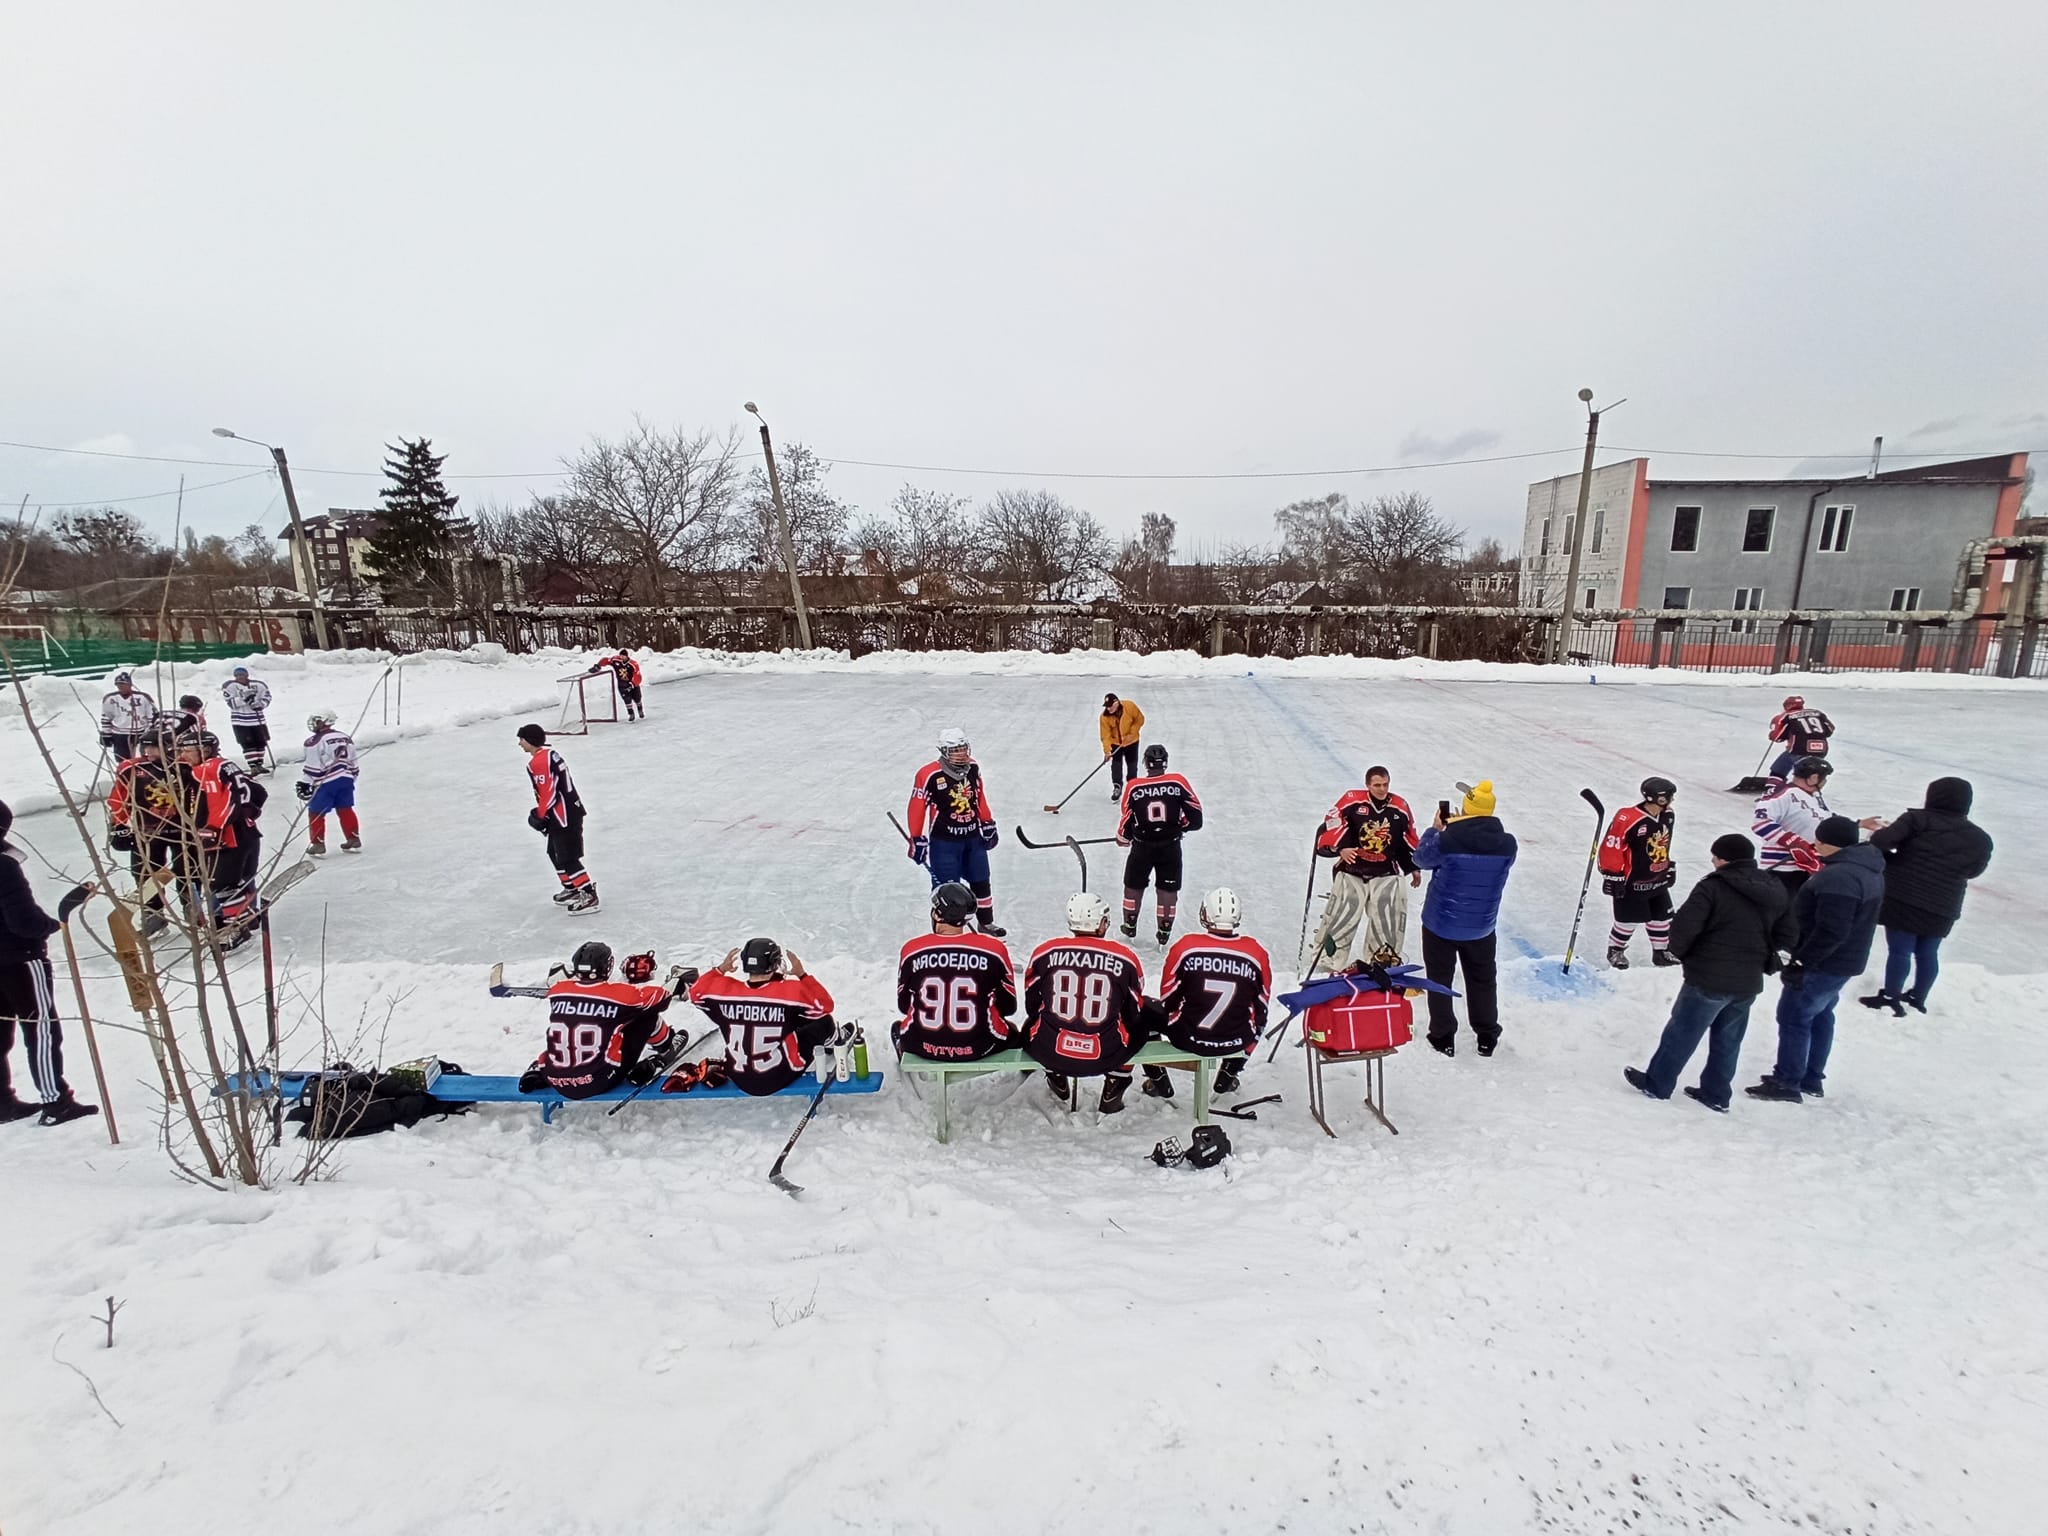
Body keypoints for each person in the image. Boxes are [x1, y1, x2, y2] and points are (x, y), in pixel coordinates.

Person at [1624, 833, 1796, 1113]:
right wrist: (1764, 956)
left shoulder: (1713, 887)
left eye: (1715, 856)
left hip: (1708, 976)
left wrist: (1684, 955)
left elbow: (1683, 928)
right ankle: (1716, 1093)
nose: (1713, 861)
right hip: (1748, 980)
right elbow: (1788, 932)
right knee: (1728, 1040)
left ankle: (1657, 1083)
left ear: (1725, 859)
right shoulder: (1775, 886)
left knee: (1682, 1032)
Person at [1746, 816, 1884, 1104]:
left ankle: (1787, 1081)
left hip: (1824, 964)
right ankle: (1811, 1077)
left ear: (1831, 844)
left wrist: (1802, 962)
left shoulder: (1839, 877)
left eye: (1819, 840)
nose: (1815, 845)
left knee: (1795, 1017)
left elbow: (1832, 929)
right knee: (1821, 1016)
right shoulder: (1867, 868)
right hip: (1846, 961)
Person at [0, 799, 99, 1125]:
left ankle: (2, 1102)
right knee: (40, 1029)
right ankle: (55, 1101)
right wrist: (52, 926)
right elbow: (23, 920)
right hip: (20, 960)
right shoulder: (4, 865)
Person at [1861, 777, 1993, 1016]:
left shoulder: (1917, 820)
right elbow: (1974, 871)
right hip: (1944, 904)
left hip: (1904, 896)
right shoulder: (1980, 838)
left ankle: (1891, 997)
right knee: (1928, 952)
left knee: (1900, 950)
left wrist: (1894, 859)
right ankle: (1918, 998)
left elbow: (1881, 841)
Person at [1023, 892, 1156, 1113]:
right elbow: (1133, 1011)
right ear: (1101, 923)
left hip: (1051, 1050)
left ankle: (1055, 1073)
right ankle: (1117, 1081)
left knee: (1033, 1026)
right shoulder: (1125, 958)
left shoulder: (1045, 952)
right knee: (1141, 1025)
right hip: (1105, 1053)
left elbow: (1031, 1003)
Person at [1412, 779, 1517, 1058]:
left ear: (1466, 807)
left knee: (1439, 979)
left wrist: (1435, 830)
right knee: (1482, 980)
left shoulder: (1447, 839)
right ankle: (1487, 1035)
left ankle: (1443, 1036)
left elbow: (1420, 859)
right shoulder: (1507, 845)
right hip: (1482, 926)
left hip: (1441, 924)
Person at [518, 942, 680, 1097]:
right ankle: (666, 1046)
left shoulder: (557, 991)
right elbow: (662, 998)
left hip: (555, 1079)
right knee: (646, 1016)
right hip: (597, 1081)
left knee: (573, 1023)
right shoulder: (620, 995)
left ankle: (539, 1068)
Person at [683, 938, 836, 1096]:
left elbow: (695, 993)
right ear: (774, 963)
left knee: (789, 1018)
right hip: (778, 1076)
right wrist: (802, 975)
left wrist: (720, 969)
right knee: (823, 1021)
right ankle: (834, 1042)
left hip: (739, 1077)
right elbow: (825, 1005)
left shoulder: (724, 993)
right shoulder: (789, 992)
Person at [1159, 886, 1271, 1098]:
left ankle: (1157, 1080)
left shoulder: (1186, 947)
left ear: (1205, 914)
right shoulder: (1256, 953)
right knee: (1260, 1020)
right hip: (1237, 1038)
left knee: (1144, 1010)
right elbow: (1262, 1006)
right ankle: (1230, 1072)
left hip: (1187, 1036)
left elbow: (1168, 1000)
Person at [1310, 765, 1421, 969]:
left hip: (1385, 873)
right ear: (1368, 785)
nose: (1382, 789)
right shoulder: (1352, 800)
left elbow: (1405, 840)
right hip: (1352, 871)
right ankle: (1328, 961)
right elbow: (1332, 824)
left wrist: (1413, 867)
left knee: (1387, 921)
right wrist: (1341, 848)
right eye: (1377, 785)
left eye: (1385, 784)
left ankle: (1382, 963)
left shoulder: (1400, 807)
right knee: (1341, 918)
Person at [894, 881, 1018, 1061]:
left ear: (937, 914)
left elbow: (904, 1006)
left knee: (900, 1028)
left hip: (922, 1045)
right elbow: (1008, 1006)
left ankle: (903, 1046)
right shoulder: (994, 949)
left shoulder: (911, 950)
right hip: (981, 1046)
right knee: (1014, 1031)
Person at [905, 727, 1003, 937]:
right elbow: (917, 806)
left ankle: (986, 923)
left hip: (972, 838)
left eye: (963, 748)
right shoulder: (929, 774)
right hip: (944, 843)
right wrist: (916, 838)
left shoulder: (973, 767)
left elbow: (979, 796)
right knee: (947, 890)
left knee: (981, 880)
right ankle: (944, 932)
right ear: (943, 751)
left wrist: (987, 822)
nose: (961, 753)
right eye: (955, 749)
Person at [1115, 744, 1203, 946]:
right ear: (1165, 762)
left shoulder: (1134, 786)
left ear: (1145, 763)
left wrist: (1123, 838)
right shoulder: (1178, 782)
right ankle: (1164, 929)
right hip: (1170, 846)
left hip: (1141, 846)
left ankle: (1130, 924)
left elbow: (1127, 817)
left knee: (1133, 884)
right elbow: (1196, 818)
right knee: (1167, 889)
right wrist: (1180, 826)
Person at [183, 730, 268, 936]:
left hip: (228, 837)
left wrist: (213, 828)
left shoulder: (207, 769)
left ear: (204, 750)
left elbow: (225, 800)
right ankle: (248, 918)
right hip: (247, 832)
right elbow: (258, 792)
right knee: (241, 881)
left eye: (187, 750)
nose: (182, 755)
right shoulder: (227, 765)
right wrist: (249, 812)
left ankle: (236, 929)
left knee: (222, 884)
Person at [517, 723, 596, 913]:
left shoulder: (539, 762)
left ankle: (588, 894)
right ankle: (571, 888)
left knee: (567, 856)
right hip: (564, 813)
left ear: (530, 740)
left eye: (521, 739)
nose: (520, 744)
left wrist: (540, 815)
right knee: (554, 852)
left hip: (564, 816)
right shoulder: (548, 755)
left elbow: (548, 792)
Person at [1601, 776, 1679, 968]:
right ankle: (1615, 950)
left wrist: (1668, 865)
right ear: (1660, 798)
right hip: (1631, 880)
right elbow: (1612, 846)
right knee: (1628, 920)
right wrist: (1613, 874)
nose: (1672, 800)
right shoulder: (1627, 817)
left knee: (1662, 916)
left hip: (1657, 876)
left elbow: (1663, 844)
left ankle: (1661, 952)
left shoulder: (1668, 815)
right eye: (1670, 796)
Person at [298, 709, 361, 857]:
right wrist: (351, 778)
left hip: (326, 782)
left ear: (325, 721)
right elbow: (354, 764)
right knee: (345, 808)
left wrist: (305, 783)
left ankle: (318, 843)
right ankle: (353, 838)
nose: (314, 723)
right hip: (346, 779)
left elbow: (313, 767)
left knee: (316, 812)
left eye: (317, 720)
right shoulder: (346, 738)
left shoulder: (314, 741)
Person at [1766, 695, 1835, 782]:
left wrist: (1774, 735)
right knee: (1809, 768)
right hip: (1821, 750)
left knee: (1778, 769)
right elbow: (1830, 730)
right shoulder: (1818, 713)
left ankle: (1774, 786)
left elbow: (1777, 737)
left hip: (1799, 749)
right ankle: (1812, 785)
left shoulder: (1787, 716)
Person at [220, 666, 274, 774]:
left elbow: (267, 696)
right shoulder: (229, 686)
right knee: (247, 743)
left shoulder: (259, 684)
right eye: (237, 675)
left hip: (258, 719)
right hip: (240, 721)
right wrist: (244, 699)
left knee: (261, 742)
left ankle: (259, 764)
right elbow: (231, 704)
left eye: (242, 675)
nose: (240, 677)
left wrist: (261, 704)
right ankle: (253, 765)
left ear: (247, 675)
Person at [98, 671, 157, 763]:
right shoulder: (110, 699)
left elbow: (152, 716)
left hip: (141, 733)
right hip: (119, 734)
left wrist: (151, 731)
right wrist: (107, 734)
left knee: (146, 758)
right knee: (123, 761)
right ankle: (127, 776)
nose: (120, 686)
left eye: (123, 684)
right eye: (118, 684)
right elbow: (106, 717)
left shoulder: (144, 697)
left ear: (130, 684)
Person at [1099, 694, 1145, 800]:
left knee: (1132, 766)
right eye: (1107, 706)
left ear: (1117, 703)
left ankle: (1133, 787)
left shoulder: (1129, 706)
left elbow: (1140, 719)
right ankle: (1117, 786)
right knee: (1116, 766)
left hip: (1132, 742)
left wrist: (1131, 734)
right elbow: (1105, 736)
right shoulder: (1104, 717)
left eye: (1110, 705)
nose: (1108, 708)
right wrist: (1107, 751)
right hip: (1115, 743)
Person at [586, 651, 645, 721]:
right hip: (622, 684)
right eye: (621, 656)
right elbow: (606, 660)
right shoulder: (615, 660)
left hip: (633, 685)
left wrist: (632, 684)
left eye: (623, 656)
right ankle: (631, 714)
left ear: (627, 656)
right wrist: (598, 666)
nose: (621, 657)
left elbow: (638, 676)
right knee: (627, 700)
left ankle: (640, 710)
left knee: (637, 699)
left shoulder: (633, 664)